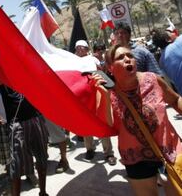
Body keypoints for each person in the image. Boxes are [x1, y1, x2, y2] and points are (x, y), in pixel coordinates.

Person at [91, 44, 182, 196]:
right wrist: (106, 96)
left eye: (130, 56)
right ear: (110, 67)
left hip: (170, 149)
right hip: (136, 158)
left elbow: (174, 99)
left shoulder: (153, 80)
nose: (128, 59)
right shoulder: (107, 93)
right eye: (121, 58)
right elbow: (109, 124)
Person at [0, 85, 49, 196]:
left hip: (36, 118)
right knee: (16, 166)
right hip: (16, 124)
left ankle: (43, 192)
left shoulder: (26, 73)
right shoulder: (1, 77)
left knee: (42, 158)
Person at [74, 40, 116, 165]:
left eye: (83, 47)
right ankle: (90, 149)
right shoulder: (71, 61)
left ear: (87, 49)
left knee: (102, 123)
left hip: (96, 95)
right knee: (87, 124)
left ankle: (108, 153)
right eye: (78, 48)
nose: (81, 50)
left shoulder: (94, 60)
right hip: (82, 98)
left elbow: (102, 73)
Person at [152, 28, 182, 95]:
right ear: (168, 39)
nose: (172, 33)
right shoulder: (179, 41)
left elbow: (170, 82)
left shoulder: (161, 62)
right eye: (170, 33)